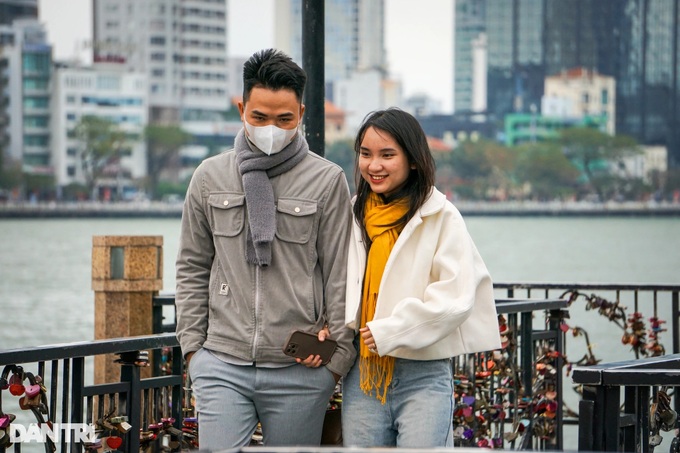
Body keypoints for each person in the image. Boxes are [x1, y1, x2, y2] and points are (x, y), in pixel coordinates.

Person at [175, 48, 356, 451]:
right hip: (221, 362)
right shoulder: (209, 176)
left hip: (300, 371)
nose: (271, 127)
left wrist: (335, 360)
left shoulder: (327, 180)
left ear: (302, 114)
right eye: (259, 117)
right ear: (242, 108)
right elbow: (191, 266)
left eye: (283, 119)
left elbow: (342, 273)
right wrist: (194, 353)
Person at [341, 108, 502, 448]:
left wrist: (391, 329)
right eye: (366, 154)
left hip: (424, 373)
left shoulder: (441, 215)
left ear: (413, 160)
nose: (374, 165)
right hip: (363, 373)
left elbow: (457, 298)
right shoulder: (354, 213)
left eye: (388, 155)